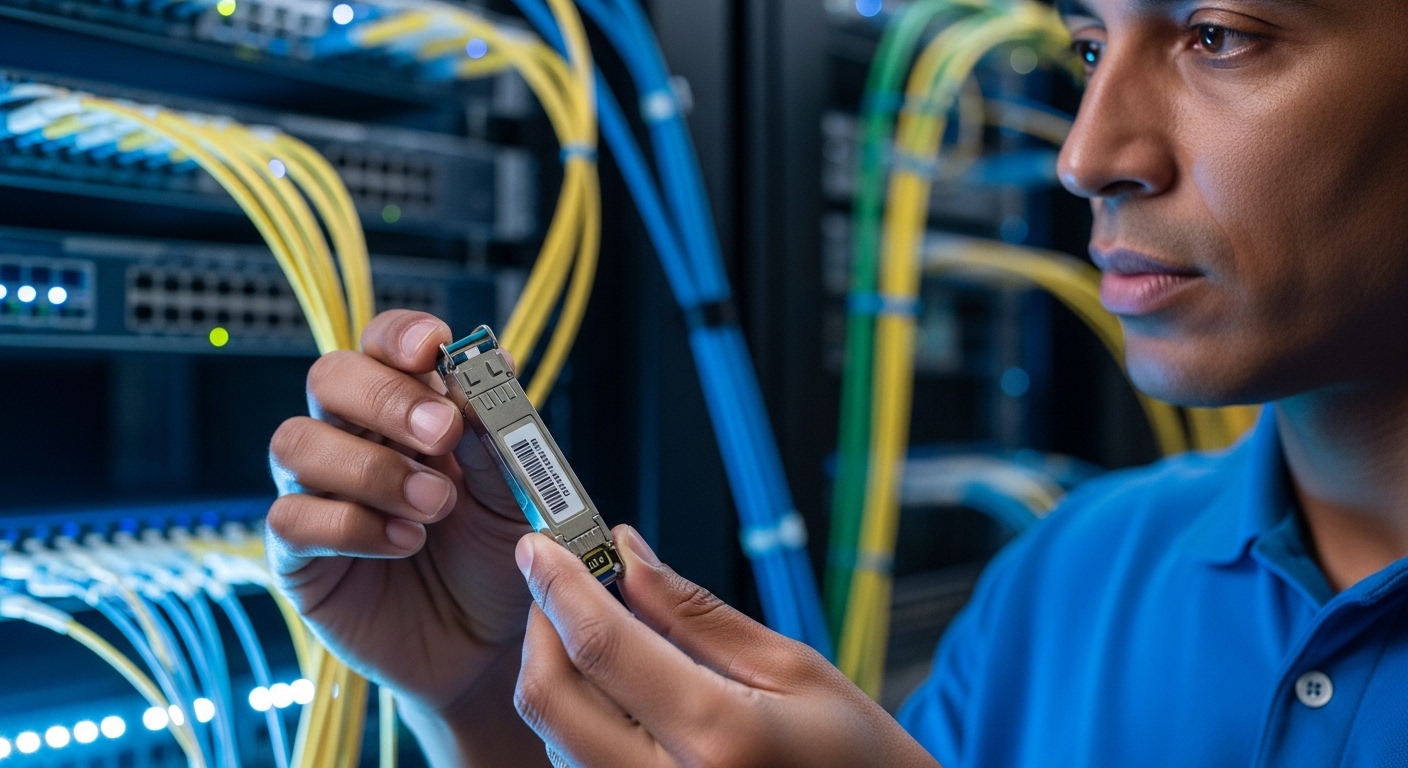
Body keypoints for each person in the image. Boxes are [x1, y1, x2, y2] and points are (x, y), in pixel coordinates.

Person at [265, 0, 1408, 764]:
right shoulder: (1071, 576)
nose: (1089, 155)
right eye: (1089, 45)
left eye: (1217, 34)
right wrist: (487, 694)